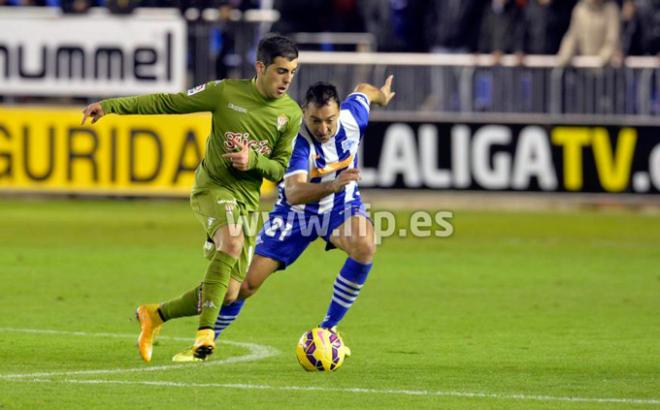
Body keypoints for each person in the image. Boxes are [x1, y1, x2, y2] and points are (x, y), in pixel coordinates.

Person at [80, 34, 302, 362]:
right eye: (281, 71)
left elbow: (280, 170)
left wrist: (252, 161)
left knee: (229, 293)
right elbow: (169, 102)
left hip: (247, 202)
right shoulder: (225, 93)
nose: (287, 79)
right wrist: (112, 107)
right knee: (232, 242)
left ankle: (155, 315)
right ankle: (205, 335)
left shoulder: (291, 114)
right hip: (213, 188)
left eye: (293, 72)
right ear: (260, 67)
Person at [172, 76, 395, 362]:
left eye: (329, 120)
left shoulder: (354, 116)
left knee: (365, 244)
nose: (323, 128)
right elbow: (293, 192)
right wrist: (332, 185)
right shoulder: (295, 142)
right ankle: (205, 343)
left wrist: (382, 96)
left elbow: (364, 90)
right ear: (304, 113)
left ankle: (328, 329)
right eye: (315, 121)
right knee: (243, 286)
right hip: (295, 214)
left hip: (340, 207)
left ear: (340, 112)